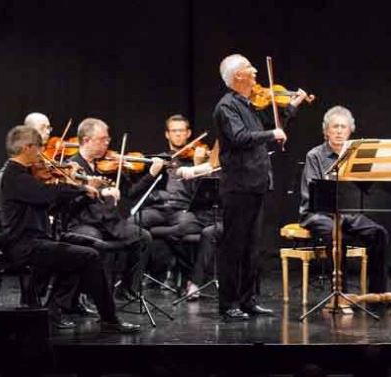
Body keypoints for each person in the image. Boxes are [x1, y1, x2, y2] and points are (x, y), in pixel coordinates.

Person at [0, 125, 139, 333]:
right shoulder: (15, 177)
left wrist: (79, 192)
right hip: (24, 246)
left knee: (92, 248)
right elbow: (48, 194)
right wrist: (81, 187)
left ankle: (53, 311)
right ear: (27, 147)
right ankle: (109, 319)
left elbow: (51, 204)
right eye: (39, 148)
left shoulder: (26, 175)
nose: (42, 154)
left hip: (39, 240)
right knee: (87, 257)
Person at [214, 53, 308, 321]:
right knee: (235, 246)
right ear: (237, 76)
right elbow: (240, 137)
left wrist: (291, 107)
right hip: (238, 185)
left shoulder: (248, 103)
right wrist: (271, 135)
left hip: (255, 183)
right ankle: (229, 303)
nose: (255, 70)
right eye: (249, 67)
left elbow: (271, 123)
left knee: (252, 247)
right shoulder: (226, 107)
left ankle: (248, 300)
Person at [299, 105, 390, 295]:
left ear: (350, 131)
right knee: (336, 234)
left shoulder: (356, 155)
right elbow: (312, 193)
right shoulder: (314, 156)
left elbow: (366, 188)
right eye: (335, 127)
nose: (339, 131)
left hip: (347, 213)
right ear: (326, 131)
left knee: (379, 234)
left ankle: (378, 294)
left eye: (343, 127)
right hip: (318, 214)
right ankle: (341, 294)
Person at [65, 118, 158, 297]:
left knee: (143, 237)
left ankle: (128, 288)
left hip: (105, 221)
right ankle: (95, 294)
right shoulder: (73, 166)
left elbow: (131, 192)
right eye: (103, 140)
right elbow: (71, 201)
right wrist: (99, 192)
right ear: (86, 140)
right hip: (82, 221)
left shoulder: (104, 166)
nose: (107, 144)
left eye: (108, 139)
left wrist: (149, 174)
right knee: (97, 241)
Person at [131, 114, 215, 297]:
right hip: (159, 209)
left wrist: (197, 165)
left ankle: (174, 271)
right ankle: (135, 279)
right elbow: (135, 192)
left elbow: (202, 194)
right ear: (167, 135)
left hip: (184, 211)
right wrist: (152, 172)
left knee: (185, 226)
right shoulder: (159, 159)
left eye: (181, 131)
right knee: (132, 224)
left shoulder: (196, 158)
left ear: (189, 133)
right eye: (174, 131)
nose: (178, 135)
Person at [0, 112, 54, 189]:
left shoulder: (54, 152)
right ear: (29, 130)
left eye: (48, 128)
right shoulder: (23, 155)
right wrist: (30, 174)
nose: (48, 132)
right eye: (42, 128)